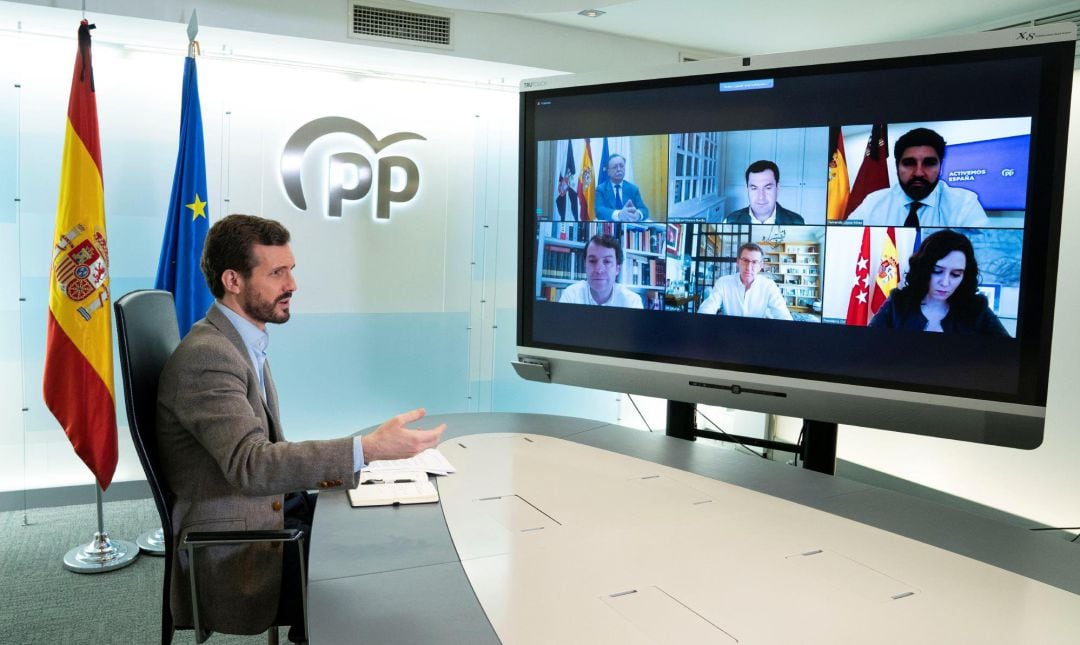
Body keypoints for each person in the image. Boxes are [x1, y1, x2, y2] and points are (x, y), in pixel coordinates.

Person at [156, 214, 446, 641]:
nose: (291, 284)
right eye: (277, 273)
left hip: (270, 515)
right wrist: (367, 448)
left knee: (381, 534)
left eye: (291, 270)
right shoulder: (209, 358)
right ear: (233, 280)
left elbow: (269, 453)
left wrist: (361, 459)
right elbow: (253, 466)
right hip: (236, 555)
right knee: (382, 579)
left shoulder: (239, 340)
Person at [869, 229, 1008, 335]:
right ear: (923, 269)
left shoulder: (977, 309)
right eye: (937, 271)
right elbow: (870, 344)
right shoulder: (898, 302)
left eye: (955, 274)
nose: (945, 283)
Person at [848, 127, 990, 227]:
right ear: (897, 167)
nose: (919, 173)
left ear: (941, 167)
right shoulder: (874, 202)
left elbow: (983, 256)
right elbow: (846, 242)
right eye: (909, 163)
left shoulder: (963, 204)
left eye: (929, 163)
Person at [698, 242, 793, 319]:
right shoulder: (723, 282)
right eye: (745, 260)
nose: (749, 267)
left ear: (760, 266)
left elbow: (783, 315)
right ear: (738, 262)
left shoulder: (769, 286)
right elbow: (708, 308)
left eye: (755, 262)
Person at [558, 233, 644, 308]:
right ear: (585, 265)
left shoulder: (632, 301)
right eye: (592, 261)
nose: (599, 270)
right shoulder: (571, 295)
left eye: (607, 261)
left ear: (617, 269)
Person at [723, 160, 804, 225]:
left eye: (768, 188)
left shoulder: (798, 222)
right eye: (754, 188)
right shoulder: (730, 221)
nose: (761, 197)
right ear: (747, 189)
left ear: (777, 188)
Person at [595, 154, 650, 222]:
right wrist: (619, 214)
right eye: (615, 167)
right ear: (608, 172)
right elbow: (599, 210)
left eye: (621, 166)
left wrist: (637, 215)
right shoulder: (601, 189)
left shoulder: (633, 189)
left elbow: (644, 209)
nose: (619, 169)